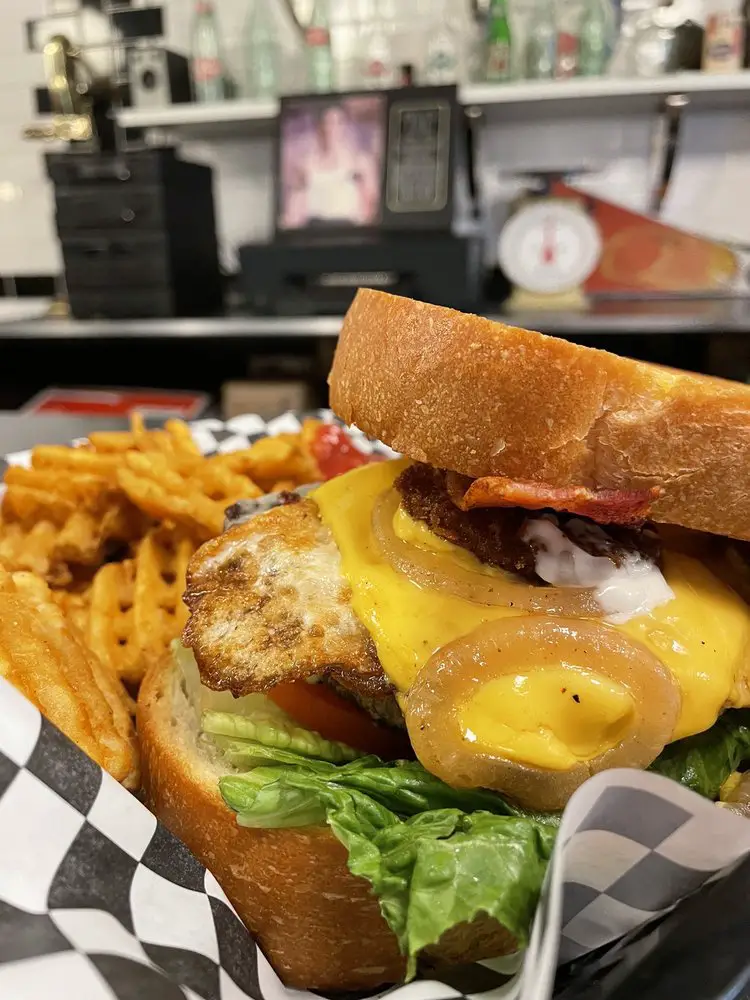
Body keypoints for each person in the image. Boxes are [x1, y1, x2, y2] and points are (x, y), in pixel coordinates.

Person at [281, 103, 381, 229]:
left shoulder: (360, 162)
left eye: (339, 123)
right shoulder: (307, 165)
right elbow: (294, 209)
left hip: (350, 229)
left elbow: (372, 205)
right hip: (314, 228)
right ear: (321, 127)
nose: (333, 128)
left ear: (345, 126)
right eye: (329, 123)